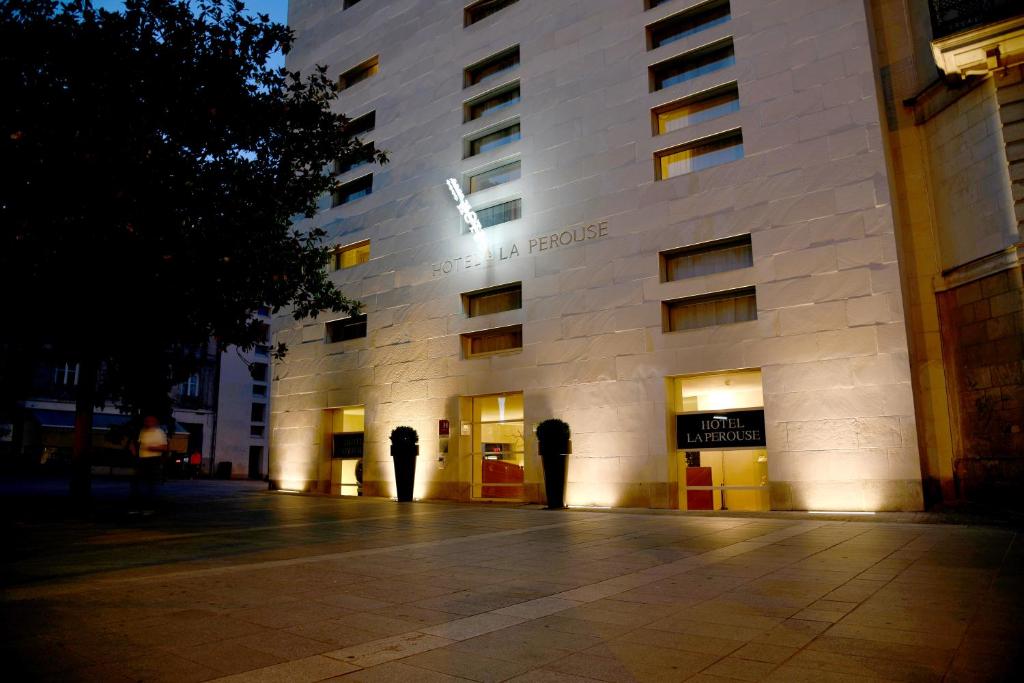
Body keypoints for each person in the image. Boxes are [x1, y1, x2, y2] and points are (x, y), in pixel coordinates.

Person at [130, 415, 168, 512]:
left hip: (154, 460)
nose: (147, 422)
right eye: (146, 421)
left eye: (150, 421)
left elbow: (165, 447)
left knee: (151, 484)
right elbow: (139, 444)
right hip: (142, 459)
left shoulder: (159, 432)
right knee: (137, 483)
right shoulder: (143, 431)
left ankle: (149, 507)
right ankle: (136, 506)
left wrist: (153, 448)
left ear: (155, 422)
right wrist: (135, 450)